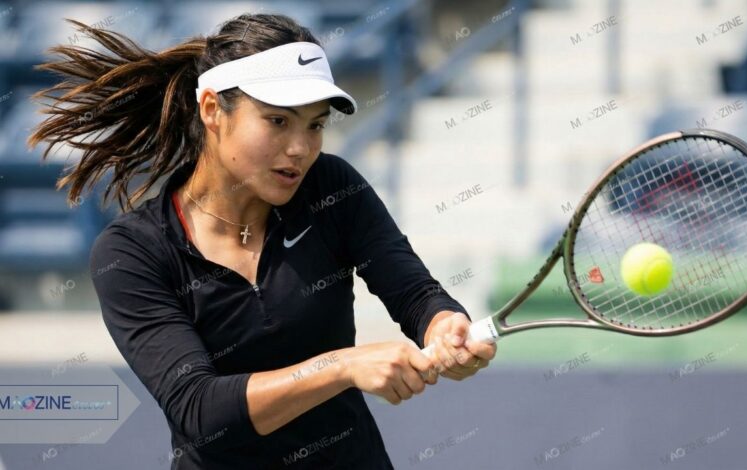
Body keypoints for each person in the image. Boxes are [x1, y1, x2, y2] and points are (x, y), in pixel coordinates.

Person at [28, 13, 496, 469]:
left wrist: (442, 325)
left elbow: (415, 293)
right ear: (212, 110)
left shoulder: (332, 187)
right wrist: (341, 367)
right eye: (277, 121)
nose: (300, 148)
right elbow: (201, 411)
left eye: (315, 125)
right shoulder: (131, 252)